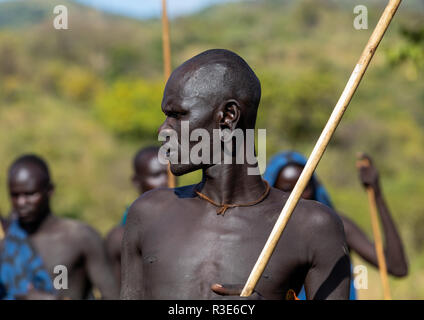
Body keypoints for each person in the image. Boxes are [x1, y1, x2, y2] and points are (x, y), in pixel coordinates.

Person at [121, 49, 351, 300]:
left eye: (177, 115)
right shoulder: (148, 214)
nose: (163, 129)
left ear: (228, 116)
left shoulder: (310, 226)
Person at [263, 151, 408, 299]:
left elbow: (397, 268)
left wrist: (377, 194)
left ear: (314, 187)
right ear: (272, 191)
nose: (297, 195)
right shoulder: (261, 235)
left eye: (304, 186)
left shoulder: (334, 227)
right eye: (287, 189)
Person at [0, 155, 119, 300]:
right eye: (15, 195)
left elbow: (113, 295)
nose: (22, 202)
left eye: (30, 194)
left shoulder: (81, 237)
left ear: (49, 190)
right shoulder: (6, 244)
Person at [105, 146, 168, 287]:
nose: (165, 181)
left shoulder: (190, 221)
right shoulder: (119, 236)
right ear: (136, 181)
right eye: (156, 175)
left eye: (169, 174)